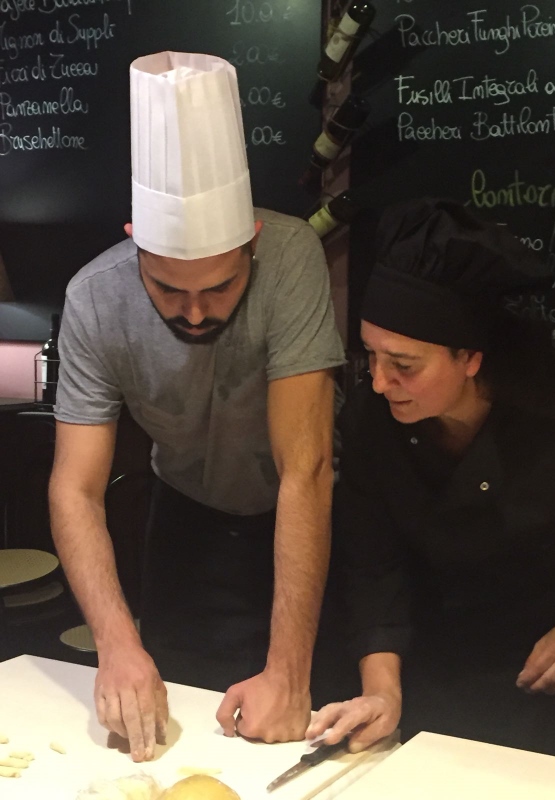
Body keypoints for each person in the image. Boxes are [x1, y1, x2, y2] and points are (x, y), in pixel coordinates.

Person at [49, 52, 346, 762]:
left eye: (217, 288)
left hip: (305, 521)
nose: (193, 311)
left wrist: (288, 670)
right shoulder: (94, 299)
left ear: (252, 244)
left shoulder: (293, 257)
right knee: (180, 734)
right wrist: (117, 644)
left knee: (313, 736)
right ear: (134, 243)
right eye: (166, 289)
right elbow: (75, 487)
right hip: (188, 520)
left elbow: (305, 469)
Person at [308, 198, 555, 764]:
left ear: (470, 359)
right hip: (433, 659)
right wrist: (382, 692)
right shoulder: (370, 420)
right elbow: (373, 566)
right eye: (370, 356)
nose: (380, 381)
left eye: (404, 365)